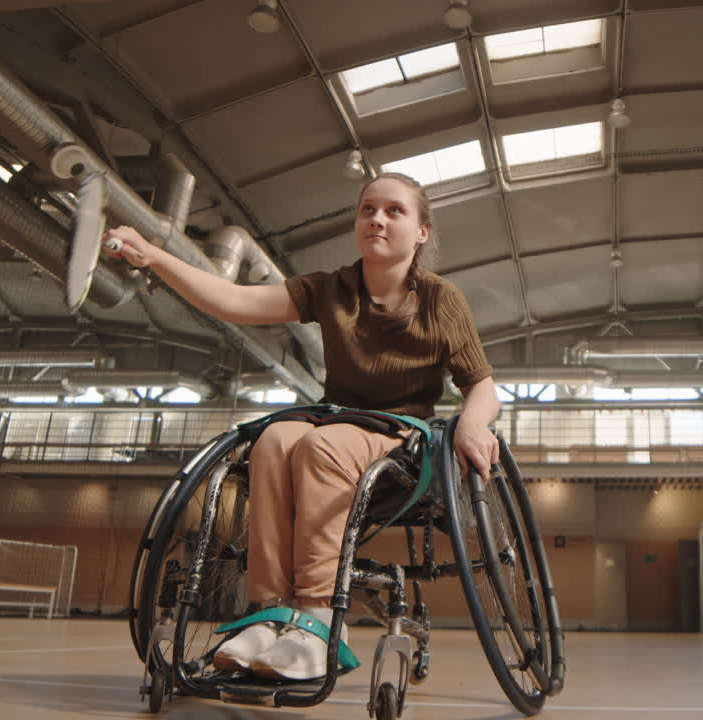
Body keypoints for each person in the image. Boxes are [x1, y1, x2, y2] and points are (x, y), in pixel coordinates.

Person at [104, 172, 499, 681]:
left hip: (402, 438)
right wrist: (155, 256)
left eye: (394, 211)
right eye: (367, 209)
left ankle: (316, 619)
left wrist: (472, 423)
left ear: (422, 231)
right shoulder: (330, 289)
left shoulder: (441, 300)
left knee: (321, 447)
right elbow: (232, 300)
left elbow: (482, 386)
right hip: (336, 420)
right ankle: (268, 615)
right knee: (275, 440)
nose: (376, 218)